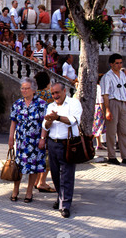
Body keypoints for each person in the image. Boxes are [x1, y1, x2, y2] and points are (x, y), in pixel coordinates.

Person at [41, 82, 82, 218]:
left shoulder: (73, 103)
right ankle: (60, 197)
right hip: (53, 143)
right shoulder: (50, 106)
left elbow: (73, 120)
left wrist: (57, 117)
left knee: (67, 175)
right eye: (53, 93)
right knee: (55, 174)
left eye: (57, 93)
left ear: (64, 91)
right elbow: (45, 126)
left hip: (68, 144)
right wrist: (49, 121)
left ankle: (65, 205)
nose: (55, 96)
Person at [9, 77, 47, 203]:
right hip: (21, 141)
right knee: (18, 166)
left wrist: (42, 139)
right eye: (22, 88)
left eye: (26, 88)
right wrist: (11, 138)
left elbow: (44, 124)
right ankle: (16, 189)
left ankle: (29, 191)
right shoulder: (17, 104)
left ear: (34, 89)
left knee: (34, 166)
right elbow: (13, 123)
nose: (24, 91)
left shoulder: (41, 104)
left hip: (35, 141)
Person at [100, 53, 126, 166]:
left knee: (125, 130)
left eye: (120, 63)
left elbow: (125, 91)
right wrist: (107, 110)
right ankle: (111, 156)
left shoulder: (122, 74)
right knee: (111, 131)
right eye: (117, 63)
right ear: (111, 64)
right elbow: (105, 95)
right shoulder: (107, 76)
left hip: (122, 103)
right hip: (112, 102)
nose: (119, 65)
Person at [33, 71, 56, 193]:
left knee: (37, 155)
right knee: (46, 155)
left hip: (34, 129)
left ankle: (36, 181)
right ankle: (41, 181)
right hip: (46, 128)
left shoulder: (34, 95)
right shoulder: (49, 96)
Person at [93, 74, 106, 150]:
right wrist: (103, 111)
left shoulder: (94, 87)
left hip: (94, 107)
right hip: (98, 107)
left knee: (96, 126)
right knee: (98, 126)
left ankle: (99, 143)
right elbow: (100, 100)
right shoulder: (99, 88)